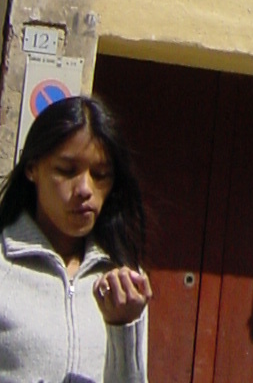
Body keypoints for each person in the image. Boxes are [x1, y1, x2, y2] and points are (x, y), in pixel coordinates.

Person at [0, 94, 150, 383]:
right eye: (67, 171)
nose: (84, 189)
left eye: (100, 175)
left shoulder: (124, 284)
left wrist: (124, 326)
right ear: (32, 168)